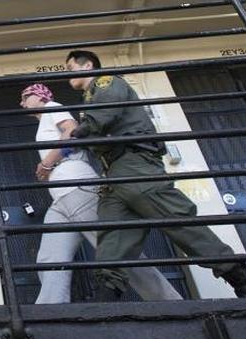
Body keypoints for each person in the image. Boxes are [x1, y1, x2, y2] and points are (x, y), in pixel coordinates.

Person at [62, 49, 246, 299]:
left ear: (87, 67)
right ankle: (104, 303)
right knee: (113, 238)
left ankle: (243, 280)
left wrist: (75, 134)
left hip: (134, 165)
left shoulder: (107, 83)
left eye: (70, 68)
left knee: (177, 221)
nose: (67, 74)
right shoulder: (90, 97)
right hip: (115, 174)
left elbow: (103, 116)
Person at [22, 83, 182, 304]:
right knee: (50, 257)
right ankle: (51, 310)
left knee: (113, 250)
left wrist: (47, 163)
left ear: (39, 96)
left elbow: (72, 131)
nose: (22, 103)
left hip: (76, 185)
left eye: (25, 96)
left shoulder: (53, 107)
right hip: (61, 198)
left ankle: (170, 302)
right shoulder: (43, 123)